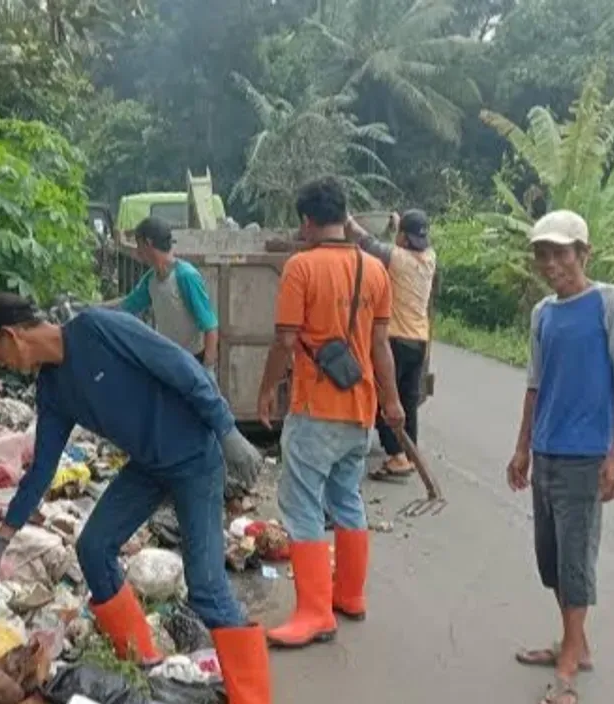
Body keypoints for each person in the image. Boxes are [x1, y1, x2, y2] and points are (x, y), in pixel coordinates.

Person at [0, 293, 279, 704]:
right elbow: (42, 469)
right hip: (149, 468)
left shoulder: (97, 329)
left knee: (208, 587)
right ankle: (143, 661)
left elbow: (178, 366)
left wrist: (226, 428)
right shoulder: (53, 390)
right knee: (93, 548)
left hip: (194, 456)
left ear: (12, 336)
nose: (3, 363)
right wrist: (3, 536)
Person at [256, 177, 404, 648]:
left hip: (316, 407)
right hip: (360, 409)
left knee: (302, 506)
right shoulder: (376, 270)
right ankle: (350, 596)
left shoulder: (301, 268)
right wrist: (392, 400)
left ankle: (315, 612)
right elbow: (381, 345)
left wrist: (266, 390)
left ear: (307, 220)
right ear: (344, 215)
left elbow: (284, 341)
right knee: (346, 499)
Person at [506, 210, 614, 704]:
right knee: (550, 557)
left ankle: (569, 665)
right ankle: (574, 641)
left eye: (561, 253)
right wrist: (522, 448)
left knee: (575, 559)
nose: (551, 263)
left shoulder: (610, 304)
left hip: (588, 455)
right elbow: (535, 385)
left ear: (584, 254)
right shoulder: (543, 313)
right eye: (543, 254)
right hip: (547, 450)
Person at [346, 209, 438, 479]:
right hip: (419, 342)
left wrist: (348, 219)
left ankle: (397, 456)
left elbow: (364, 241)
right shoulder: (430, 259)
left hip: (395, 341)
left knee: (386, 398)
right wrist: (399, 224)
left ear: (401, 238)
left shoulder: (396, 258)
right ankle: (410, 454)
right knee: (408, 401)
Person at [111, 217, 220, 375]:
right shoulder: (151, 279)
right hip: (169, 360)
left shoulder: (185, 276)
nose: (137, 251)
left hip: (192, 362)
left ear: (148, 243)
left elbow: (210, 327)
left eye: (139, 245)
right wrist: (92, 309)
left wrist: (207, 371)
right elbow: (127, 306)